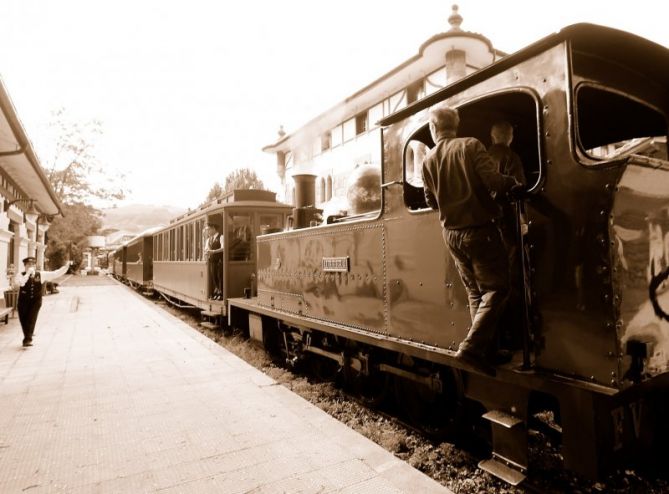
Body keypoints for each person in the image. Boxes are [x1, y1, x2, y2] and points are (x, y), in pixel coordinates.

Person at [421, 105, 522, 376]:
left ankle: (485, 352)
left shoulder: (427, 159)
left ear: (433, 128)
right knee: (499, 288)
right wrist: (514, 184)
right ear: (456, 125)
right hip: (480, 231)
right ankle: (471, 348)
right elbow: (493, 181)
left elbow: (430, 201)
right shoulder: (470, 145)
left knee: (476, 292)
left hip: (451, 234)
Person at [488, 121, 528, 345]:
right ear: (510, 138)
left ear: (492, 137)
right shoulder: (512, 157)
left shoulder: (482, 157)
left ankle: (497, 332)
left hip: (488, 223)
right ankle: (514, 332)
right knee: (513, 275)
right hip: (507, 222)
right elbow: (520, 187)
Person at [15, 256, 71, 347]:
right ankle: (28, 335)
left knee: (32, 318)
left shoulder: (40, 274)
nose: (31, 266)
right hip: (23, 301)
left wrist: (65, 267)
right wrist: (27, 274)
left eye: (32, 264)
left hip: (35, 301)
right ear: (25, 266)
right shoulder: (20, 275)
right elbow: (19, 284)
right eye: (28, 264)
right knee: (24, 320)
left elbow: (54, 274)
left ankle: (27, 339)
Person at [205, 222, 224, 300]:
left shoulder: (221, 237)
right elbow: (206, 249)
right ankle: (217, 292)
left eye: (209, 229)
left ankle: (221, 293)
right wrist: (207, 252)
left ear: (213, 228)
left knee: (219, 277)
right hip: (212, 261)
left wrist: (213, 251)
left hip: (219, 261)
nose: (208, 231)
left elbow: (223, 248)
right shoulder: (209, 239)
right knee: (214, 277)